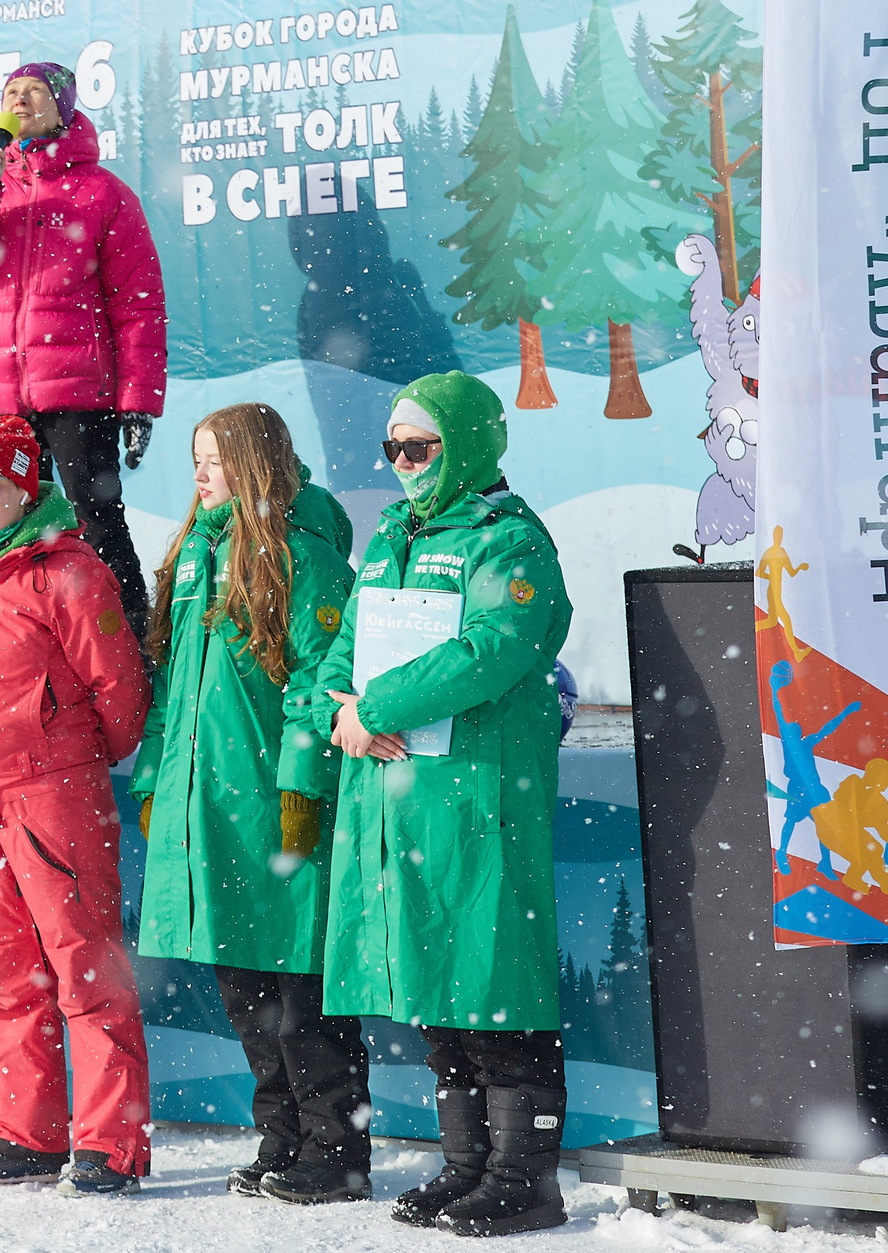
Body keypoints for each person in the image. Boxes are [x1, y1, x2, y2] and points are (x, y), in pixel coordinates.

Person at [319, 371, 572, 1238]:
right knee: (439, 997)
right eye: (392, 448)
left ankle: (525, 1178)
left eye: (419, 446)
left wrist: (377, 706)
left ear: (465, 443)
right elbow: (340, 654)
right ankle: (468, 1166)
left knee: (496, 990)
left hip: (475, 799)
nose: (403, 464)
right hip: (396, 801)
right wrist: (336, 710)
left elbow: (492, 648)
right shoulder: (391, 535)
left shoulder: (510, 540)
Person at [128, 405, 366, 1202]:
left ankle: (338, 1146)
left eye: (215, 460)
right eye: (195, 459)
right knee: (246, 989)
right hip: (209, 814)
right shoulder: (193, 552)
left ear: (257, 464)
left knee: (298, 986)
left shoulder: (304, 557)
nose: (199, 474)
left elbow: (320, 678)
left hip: (268, 807)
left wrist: (300, 782)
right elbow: (167, 690)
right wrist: (156, 780)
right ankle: (285, 1134)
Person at [0, 413, 152, 1194]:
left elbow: (120, 691)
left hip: (54, 795)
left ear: (24, 489)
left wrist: (71, 757)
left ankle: (110, 1142)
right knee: (11, 970)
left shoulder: (69, 568)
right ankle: (29, 1129)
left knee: (86, 967)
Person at [0, 58, 166, 628]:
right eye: (12, 91)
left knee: (94, 521)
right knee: (1, 520)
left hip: (78, 393)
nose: (22, 99)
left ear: (64, 107)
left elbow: (139, 306)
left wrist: (138, 402)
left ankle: (127, 642)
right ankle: (20, 637)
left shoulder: (103, 193)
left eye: (36, 91)